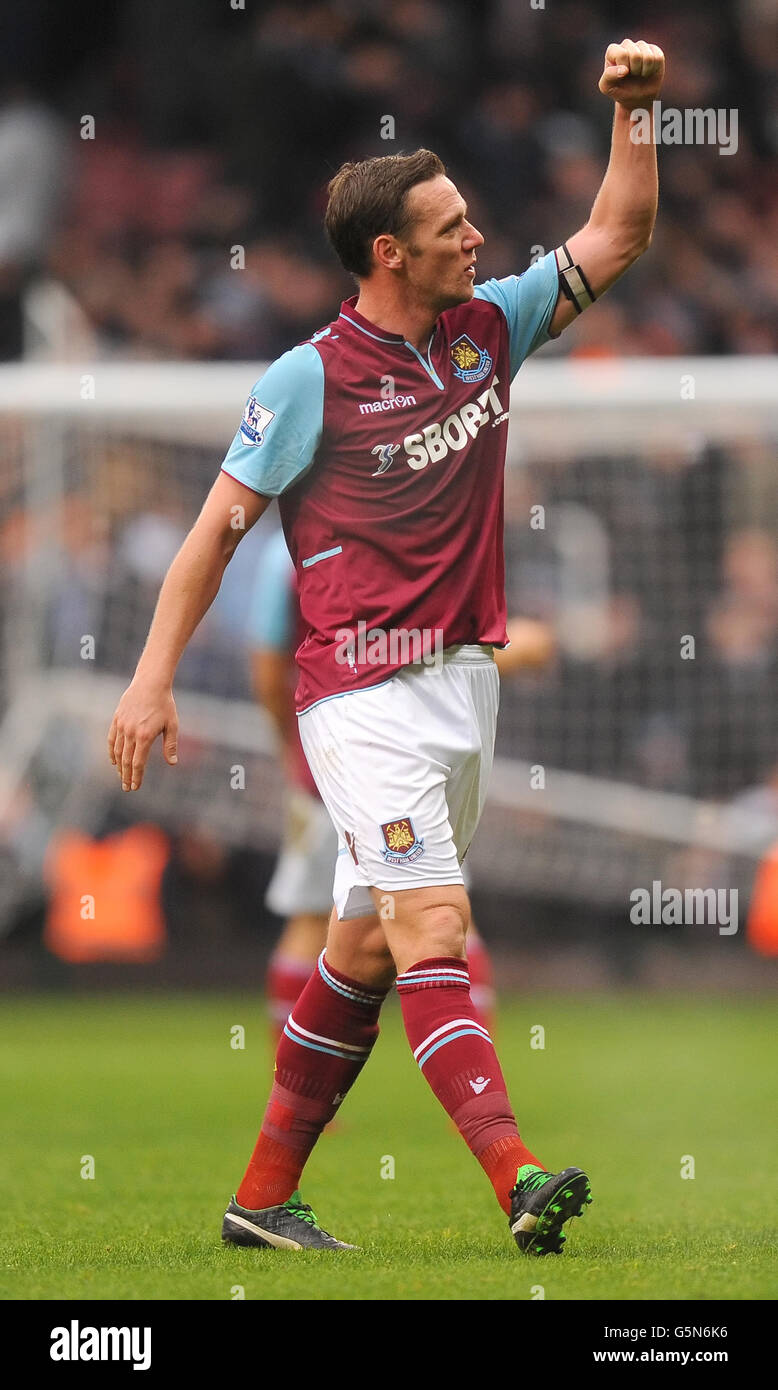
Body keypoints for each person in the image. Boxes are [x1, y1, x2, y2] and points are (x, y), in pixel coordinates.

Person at [108, 38, 665, 1255]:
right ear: (387, 254)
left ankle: (261, 1200)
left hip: (462, 684)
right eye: (453, 226)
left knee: (359, 946)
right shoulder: (305, 380)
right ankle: (518, 1176)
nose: (478, 239)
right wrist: (151, 678)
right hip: (359, 689)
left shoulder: (488, 329)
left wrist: (638, 113)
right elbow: (210, 537)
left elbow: (615, 237)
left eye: (471, 220)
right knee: (434, 930)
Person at [249, 532, 553, 1042]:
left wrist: (293, 745)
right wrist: (513, 648)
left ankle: (291, 1091)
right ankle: (477, 1084)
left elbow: (266, 668)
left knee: (313, 921)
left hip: (326, 757)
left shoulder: (286, 551)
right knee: (444, 917)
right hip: (398, 761)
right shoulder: (398, 530)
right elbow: (416, 659)